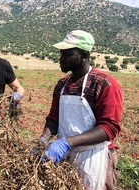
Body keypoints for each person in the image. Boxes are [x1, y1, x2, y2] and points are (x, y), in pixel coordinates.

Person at [37, 30, 122, 190]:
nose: (61, 59)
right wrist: (43, 139)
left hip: (94, 155)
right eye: (61, 54)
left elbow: (109, 128)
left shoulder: (104, 83)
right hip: (64, 155)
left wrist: (67, 142)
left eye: (67, 55)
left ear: (84, 56)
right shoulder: (62, 85)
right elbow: (54, 118)